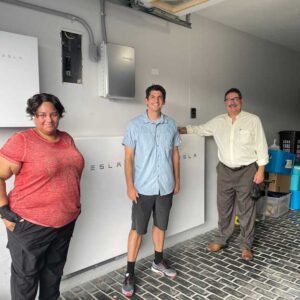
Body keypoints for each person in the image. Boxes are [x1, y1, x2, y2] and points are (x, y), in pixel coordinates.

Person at [0, 93, 84, 300]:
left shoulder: (66, 138)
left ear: (59, 115)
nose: (48, 119)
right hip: (30, 225)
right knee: (26, 280)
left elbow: (73, 170)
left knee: (53, 276)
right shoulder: (22, 141)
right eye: (41, 115)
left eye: (53, 114)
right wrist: (3, 210)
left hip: (64, 223)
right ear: (33, 116)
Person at [178, 88, 268, 261]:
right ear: (225, 103)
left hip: (247, 170)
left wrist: (261, 170)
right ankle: (221, 238)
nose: (232, 102)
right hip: (225, 171)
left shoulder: (253, 120)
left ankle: (246, 245)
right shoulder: (218, 122)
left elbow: (261, 145)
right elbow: (200, 129)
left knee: (246, 210)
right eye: (229, 99)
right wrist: (180, 129)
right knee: (224, 207)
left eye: (235, 99)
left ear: (241, 101)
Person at [122, 84, 180, 297]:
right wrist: (129, 185)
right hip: (143, 188)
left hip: (165, 186)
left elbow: (175, 154)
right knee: (137, 229)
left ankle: (158, 262)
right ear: (146, 100)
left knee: (160, 226)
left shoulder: (171, 124)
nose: (156, 100)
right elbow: (128, 158)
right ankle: (129, 273)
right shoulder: (135, 125)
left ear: (163, 101)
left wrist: (177, 179)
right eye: (152, 97)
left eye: (160, 97)